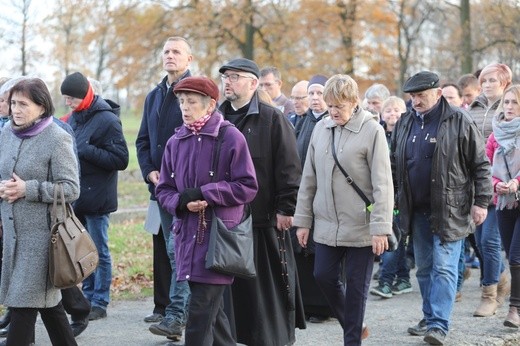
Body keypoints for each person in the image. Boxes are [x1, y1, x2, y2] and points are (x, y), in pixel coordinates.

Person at [391, 71, 492, 345]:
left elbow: (480, 165)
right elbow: (393, 164)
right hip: (417, 211)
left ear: (437, 93)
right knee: (423, 269)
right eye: (412, 97)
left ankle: (438, 325)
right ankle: (429, 316)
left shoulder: (459, 120)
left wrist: (481, 202)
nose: (416, 102)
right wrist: (394, 200)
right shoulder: (404, 123)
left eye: (421, 96)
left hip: (452, 209)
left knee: (445, 269)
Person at [155, 76, 258, 346]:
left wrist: (206, 193)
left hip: (218, 240)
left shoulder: (231, 137)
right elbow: (163, 190)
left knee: (200, 314)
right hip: (186, 238)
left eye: (191, 102)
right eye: (181, 102)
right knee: (215, 316)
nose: (185, 108)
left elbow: (248, 187)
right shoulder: (175, 141)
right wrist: (180, 202)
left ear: (210, 104)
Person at [294, 74, 394, 345]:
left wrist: (380, 228)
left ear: (354, 102)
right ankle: (354, 323)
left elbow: (383, 183)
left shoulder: (372, 131)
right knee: (322, 276)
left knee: (357, 290)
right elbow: (309, 178)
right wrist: (302, 221)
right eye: (330, 105)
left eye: (339, 105)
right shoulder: (320, 129)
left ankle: (352, 340)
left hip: (362, 225)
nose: (333, 111)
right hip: (326, 223)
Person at [218, 58, 305, 346]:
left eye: (235, 77)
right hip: (227, 220)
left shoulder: (272, 118)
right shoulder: (218, 118)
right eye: (225, 77)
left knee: (265, 290)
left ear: (253, 83)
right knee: (233, 290)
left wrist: (286, 208)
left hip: (264, 218)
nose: (228, 82)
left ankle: (272, 339)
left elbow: (289, 167)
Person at [0, 77, 79, 345]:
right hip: (12, 239)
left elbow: (71, 188)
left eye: (23, 104)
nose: (16, 110)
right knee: (50, 307)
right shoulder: (6, 133)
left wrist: (28, 189)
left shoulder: (57, 138)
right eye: (13, 103)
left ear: (42, 107)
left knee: (22, 306)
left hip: (44, 241)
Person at [135, 36, 192, 341]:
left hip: (186, 190)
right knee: (170, 251)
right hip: (159, 188)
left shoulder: (195, 93)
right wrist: (149, 171)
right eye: (166, 51)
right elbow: (143, 141)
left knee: (180, 252)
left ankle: (179, 315)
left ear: (189, 59)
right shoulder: (155, 95)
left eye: (176, 52)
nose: (170, 56)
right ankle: (172, 312)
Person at [61, 71, 129, 321]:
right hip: (77, 196)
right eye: (66, 98)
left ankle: (100, 301)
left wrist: (87, 150)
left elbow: (121, 159)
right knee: (83, 252)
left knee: (98, 250)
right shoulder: (75, 118)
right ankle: (87, 296)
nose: (67, 102)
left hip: (98, 198)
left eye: (71, 98)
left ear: (84, 95)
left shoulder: (108, 120)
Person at [468, 63, 512, 317]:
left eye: (492, 81)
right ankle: (502, 275)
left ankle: (490, 296)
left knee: (490, 241)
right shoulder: (471, 109)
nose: (486, 85)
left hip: (499, 183)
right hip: (473, 183)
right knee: (478, 242)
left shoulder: (509, 109)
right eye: (483, 81)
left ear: (504, 83)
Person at [292, 75, 331, 323]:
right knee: (303, 248)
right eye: (312, 94)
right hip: (303, 195)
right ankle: (307, 302)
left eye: (319, 93)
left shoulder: (332, 122)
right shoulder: (303, 122)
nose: (315, 98)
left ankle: (325, 305)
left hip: (327, 197)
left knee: (324, 252)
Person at [370, 96, 412, 299]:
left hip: (399, 194)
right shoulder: (376, 133)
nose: (393, 114)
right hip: (381, 193)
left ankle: (386, 281)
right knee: (397, 237)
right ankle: (403, 278)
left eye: (397, 110)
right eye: (388, 110)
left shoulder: (408, 133)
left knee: (392, 235)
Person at [486, 84, 520, 328]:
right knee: (511, 255)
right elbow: (485, 167)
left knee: (517, 256)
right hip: (503, 202)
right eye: (506, 102)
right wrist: (496, 184)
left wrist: (516, 183)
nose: (509, 107)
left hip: (517, 193)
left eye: (515, 103)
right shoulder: (494, 135)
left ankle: (514, 310)